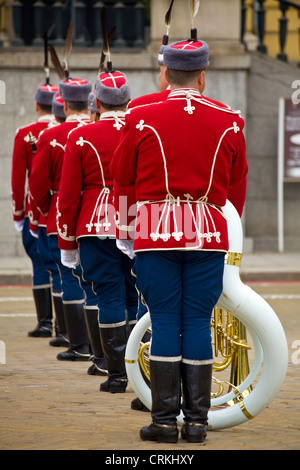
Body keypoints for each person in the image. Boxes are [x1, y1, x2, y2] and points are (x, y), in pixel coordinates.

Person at [110, 38, 248, 443]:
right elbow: (235, 188)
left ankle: (165, 422)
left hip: (154, 232)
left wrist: (124, 230)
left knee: (166, 320)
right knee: (198, 323)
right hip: (209, 231)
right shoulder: (230, 119)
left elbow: (122, 178)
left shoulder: (140, 115)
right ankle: (199, 424)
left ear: (165, 74)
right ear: (203, 76)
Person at [57, 68, 138, 393]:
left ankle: (116, 373)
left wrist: (67, 241)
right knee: (135, 293)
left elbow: (68, 196)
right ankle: (139, 369)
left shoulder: (79, 136)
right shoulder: (139, 128)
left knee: (108, 295)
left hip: (93, 223)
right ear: (128, 100)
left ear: (98, 102)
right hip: (133, 219)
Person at [29, 77, 100, 363]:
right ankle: (97, 348)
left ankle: (78, 343)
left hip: (63, 209)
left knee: (68, 276)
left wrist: (48, 208)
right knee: (96, 281)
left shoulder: (50, 135)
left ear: (65, 102)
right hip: (98, 213)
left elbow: (37, 183)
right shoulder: (97, 128)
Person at [11, 82, 58, 338]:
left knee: (40, 264)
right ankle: (64, 326)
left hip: (37, 212)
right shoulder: (67, 130)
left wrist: (19, 214)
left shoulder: (25, 133)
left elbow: (19, 182)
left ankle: (45, 322)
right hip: (64, 209)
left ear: (37, 105)